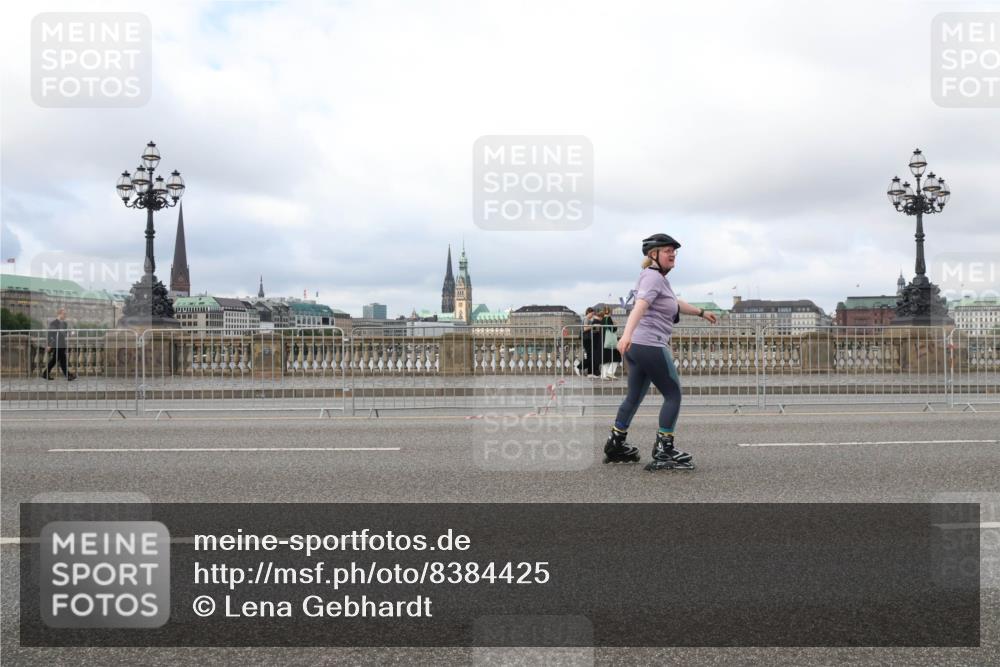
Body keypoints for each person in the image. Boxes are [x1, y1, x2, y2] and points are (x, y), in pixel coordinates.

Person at [603, 233, 717, 470]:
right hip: (650, 344)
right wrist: (625, 335)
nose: (673, 254)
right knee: (673, 394)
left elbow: (675, 303)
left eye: (674, 250)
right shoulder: (653, 278)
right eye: (667, 250)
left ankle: (616, 443)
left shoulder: (653, 278)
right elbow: (640, 307)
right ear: (653, 254)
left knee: (634, 397)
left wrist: (701, 313)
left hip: (638, 347)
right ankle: (664, 450)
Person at [42, 308, 76, 381]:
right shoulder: (54, 323)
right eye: (64, 314)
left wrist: (71, 333)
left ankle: (45, 373)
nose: (65, 315)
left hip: (62, 344)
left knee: (55, 360)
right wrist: (49, 345)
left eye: (65, 314)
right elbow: (50, 334)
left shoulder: (64, 324)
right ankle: (68, 376)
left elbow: (65, 334)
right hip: (56, 344)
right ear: (59, 314)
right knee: (61, 360)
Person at [598, 307, 622, 380]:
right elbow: (612, 329)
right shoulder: (609, 319)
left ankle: (603, 375)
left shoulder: (602, 320)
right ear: (610, 311)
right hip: (609, 342)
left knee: (605, 359)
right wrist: (615, 325)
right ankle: (610, 372)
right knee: (616, 357)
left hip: (603, 341)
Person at [578, 307, 601, 377]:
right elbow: (585, 329)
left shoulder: (587, 319)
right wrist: (593, 326)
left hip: (587, 339)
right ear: (588, 312)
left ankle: (589, 372)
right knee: (590, 356)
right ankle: (579, 367)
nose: (592, 315)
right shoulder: (586, 319)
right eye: (592, 313)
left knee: (590, 356)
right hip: (586, 339)